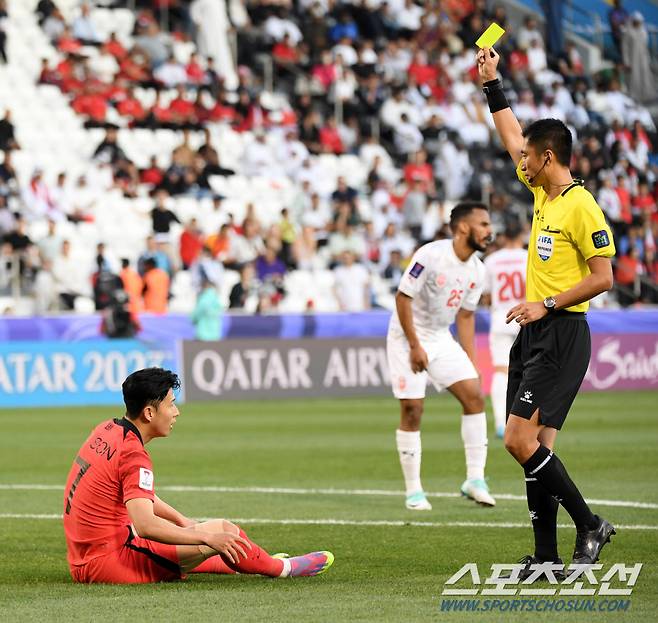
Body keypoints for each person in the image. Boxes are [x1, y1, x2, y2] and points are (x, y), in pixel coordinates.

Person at [477, 46, 617, 579]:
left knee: (518, 440)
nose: (522, 162)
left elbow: (604, 276)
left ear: (550, 158)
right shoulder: (544, 194)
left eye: (530, 158)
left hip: (562, 331)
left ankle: (589, 524)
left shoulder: (581, 206)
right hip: (536, 333)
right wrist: (493, 85)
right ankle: (548, 557)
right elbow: (514, 136)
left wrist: (548, 302)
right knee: (535, 452)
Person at [63, 367, 334, 583]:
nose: (176, 412)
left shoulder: (107, 429)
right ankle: (281, 568)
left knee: (190, 533)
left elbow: (139, 494)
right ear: (149, 412)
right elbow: (146, 525)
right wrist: (206, 537)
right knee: (223, 531)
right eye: (171, 404)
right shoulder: (134, 455)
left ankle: (250, 561)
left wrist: (181, 520)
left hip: (86, 555)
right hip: (108, 563)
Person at [387, 202, 495, 511]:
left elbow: (466, 316)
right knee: (412, 409)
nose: (490, 231)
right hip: (406, 336)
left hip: (439, 337)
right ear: (464, 228)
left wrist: (472, 361)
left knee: (474, 396)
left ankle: (475, 480)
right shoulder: (430, 255)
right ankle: (414, 491)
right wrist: (414, 345)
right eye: (484, 224)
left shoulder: (477, 269)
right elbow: (403, 297)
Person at [483, 224, 527, 439]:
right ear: (521, 234)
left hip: (501, 318)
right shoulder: (529, 257)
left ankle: (501, 423)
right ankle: (526, 422)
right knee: (530, 372)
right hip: (526, 317)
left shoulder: (492, 261)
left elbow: (485, 295)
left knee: (501, 372)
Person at [191, 273, 222, 340]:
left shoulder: (204, 297)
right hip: (215, 334)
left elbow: (196, 315)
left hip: (203, 334)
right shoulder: (216, 298)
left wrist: (192, 318)